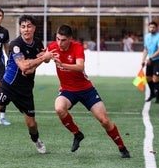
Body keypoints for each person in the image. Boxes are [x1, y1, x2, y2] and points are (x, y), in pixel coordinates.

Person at [0, 15, 54, 154]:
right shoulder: (16, 44)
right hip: (8, 86)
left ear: (34, 28)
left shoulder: (38, 43)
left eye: (29, 26)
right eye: (23, 27)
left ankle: (36, 139)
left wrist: (46, 57)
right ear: (20, 29)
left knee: (32, 124)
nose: (26, 30)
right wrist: (43, 58)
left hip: (25, 90)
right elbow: (24, 66)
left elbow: (44, 60)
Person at [47, 24, 130, 158]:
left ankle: (122, 147)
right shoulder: (53, 47)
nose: (59, 43)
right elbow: (44, 56)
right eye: (57, 39)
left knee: (104, 121)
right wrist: (41, 59)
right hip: (67, 90)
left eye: (63, 40)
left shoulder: (77, 47)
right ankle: (77, 134)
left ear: (70, 39)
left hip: (86, 90)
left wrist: (62, 64)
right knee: (59, 109)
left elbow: (80, 67)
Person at [142, 21, 159, 103]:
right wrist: (143, 60)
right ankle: (152, 93)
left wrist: (151, 58)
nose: (152, 29)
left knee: (155, 78)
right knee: (148, 78)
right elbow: (145, 49)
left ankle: (157, 98)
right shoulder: (147, 37)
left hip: (158, 59)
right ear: (148, 28)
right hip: (150, 60)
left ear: (156, 28)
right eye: (150, 27)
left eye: (153, 27)